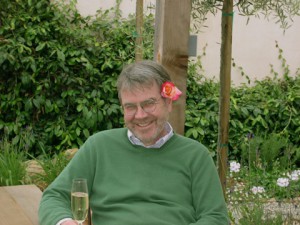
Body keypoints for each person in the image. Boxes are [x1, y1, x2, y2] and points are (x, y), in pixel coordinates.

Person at [38, 60, 229, 225]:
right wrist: (65, 222)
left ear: (168, 102)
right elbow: (54, 196)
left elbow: (215, 217)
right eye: (130, 107)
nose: (140, 115)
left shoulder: (195, 155)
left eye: (148, 104)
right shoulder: (99, 147)